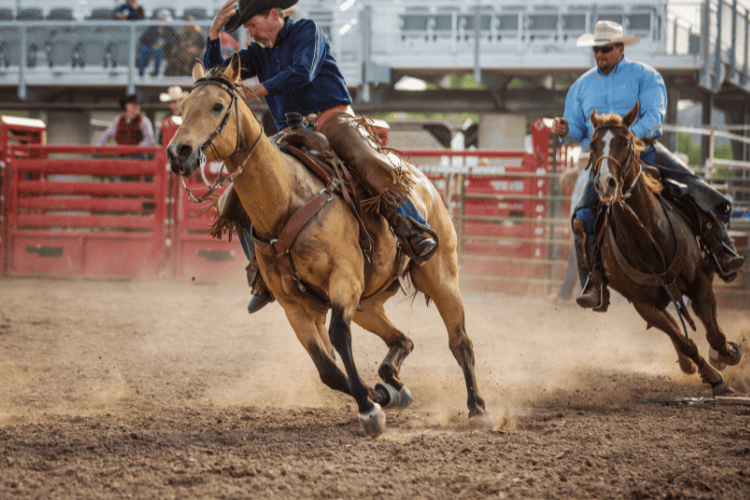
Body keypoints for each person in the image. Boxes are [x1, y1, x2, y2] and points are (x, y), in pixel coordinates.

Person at [205, 0, 439, 314]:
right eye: (246, 29)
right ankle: (260, 273)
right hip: (289, 131)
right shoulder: (257, 52)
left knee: (366, 160)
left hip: (332, 119)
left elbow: (301, 72)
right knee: (243, 195)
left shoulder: (307, 31)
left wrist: (257, 89)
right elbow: (218, 75)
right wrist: (213, 34)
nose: (250, 32)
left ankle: (413, 226)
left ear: (274, 15)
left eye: (253, 25)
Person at [551, 20, 744, 312]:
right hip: (606, 160)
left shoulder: (645, 76)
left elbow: (654, 118)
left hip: (646, 150)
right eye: (596, 50)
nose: (599, 55)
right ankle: (593, 283)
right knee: (582, 216)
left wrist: (627, 136)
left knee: (694, 185)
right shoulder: (581, 86)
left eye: (605, 49)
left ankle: (723, 250)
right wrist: (566, 130)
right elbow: (578, 131)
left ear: (620, 48)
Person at [551, 152, 590, 305]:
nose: (579, 163)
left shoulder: (588, 176)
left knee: (578, 257)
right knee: (578, 257)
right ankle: (572, 294)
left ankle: (570, 294)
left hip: (583, 222)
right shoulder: (584, 174)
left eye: (582, 160)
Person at [137, 9, 179, 77]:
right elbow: (143, 39)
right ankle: (141, 72)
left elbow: (175, 39)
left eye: (165, 20)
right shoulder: (152, 28)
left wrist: (165, 42)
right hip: (151, 47)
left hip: (165, 49)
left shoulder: (170, 29)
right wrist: (152, 44)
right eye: (162, 19)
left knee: (158, 52)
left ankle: (155, 72)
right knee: (144, 50)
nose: (163, 21)